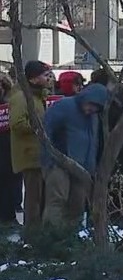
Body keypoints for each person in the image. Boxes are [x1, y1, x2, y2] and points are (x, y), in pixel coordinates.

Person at [40, 83, 109, 226]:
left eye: (97, 107)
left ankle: (71, 240)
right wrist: (49, 161)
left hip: (82, 168)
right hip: (59, 163)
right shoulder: (64, 106)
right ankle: (51, 239)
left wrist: (90, 168)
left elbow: (93, 142)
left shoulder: (93, 117)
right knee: (57, 201)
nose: (92, 109)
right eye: (92, 104)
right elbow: (46, 131)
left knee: (77, 205)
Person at [9, 60, 53, 228]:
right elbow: (18, 124)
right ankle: (32, 234)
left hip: (39, 154)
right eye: (45, 75)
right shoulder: (22, 97)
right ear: (33, 79)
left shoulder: (37, 96)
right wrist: (40, 128)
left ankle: (38, 232)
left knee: (40, 197)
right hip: (30, 154)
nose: (48, 79)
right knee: (33, 198)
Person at [0, 74, 19, 230]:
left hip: (8, 150)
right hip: (8, 149)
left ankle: (9, 218)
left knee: (8, 185)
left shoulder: (11, 104)